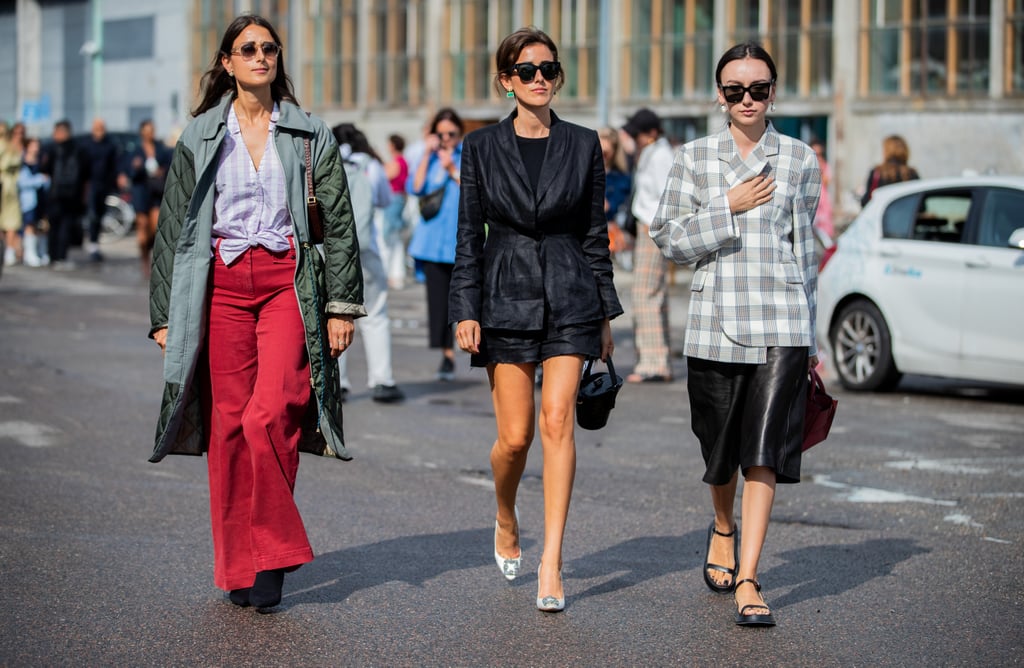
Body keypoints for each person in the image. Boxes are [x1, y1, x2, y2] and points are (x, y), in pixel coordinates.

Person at [148, 14, 365, 611]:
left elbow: (339, 225)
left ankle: (272, 552)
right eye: (248, 49)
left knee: (270, 413)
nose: (261, 57)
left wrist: (342, 306)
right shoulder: (198, 136)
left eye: (269, 48)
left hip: (286, 284)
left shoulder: (306, 132)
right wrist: (166, 315)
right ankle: (239, 565)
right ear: (228, 63)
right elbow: (172, 229)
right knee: (226, 425)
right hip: (218, 288)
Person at [450, 26, 623, 612]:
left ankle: (551, 562)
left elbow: (595, 235)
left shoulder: (583, 143)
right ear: (506, 81)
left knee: (558, 423)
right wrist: (464, 310)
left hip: (572, 293)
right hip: (504, 294)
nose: (540, 78)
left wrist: (605, 312)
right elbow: (468, 237)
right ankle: (505, 513)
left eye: (549, 68)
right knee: (515, 438)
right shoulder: (479, 148)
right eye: (527, 70)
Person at [650, 42, 821, 628]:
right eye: (735, 90)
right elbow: (667, 238)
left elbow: (807, 253)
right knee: (719, 455)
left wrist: (813, 343)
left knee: (764, 454)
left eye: (759, 89)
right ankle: (723, 526)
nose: (748, 100)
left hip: (783, 322)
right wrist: (726, 205)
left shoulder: (798, 160)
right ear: (718, 95)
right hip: (714, 323)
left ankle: (749, 577)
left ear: (775, 91)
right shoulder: (694, 158)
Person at [333, 123, 404, 404]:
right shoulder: (370, 166)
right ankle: (382, 380)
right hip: (367, 250)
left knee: (335, 315)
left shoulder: (325, 161)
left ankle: (339, 383)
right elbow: (385, 200)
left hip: (334, 254)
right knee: (375, 315)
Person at [407, 108, 463, 381]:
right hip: (431, 243)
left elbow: (476, 190)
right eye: (440, 134)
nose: (446, 139)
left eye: (451, 134)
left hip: (461, 243)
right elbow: (415, 188)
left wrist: (452, 168)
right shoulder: (428, 160)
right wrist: (428, 155)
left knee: (467, 302)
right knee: (439, 304)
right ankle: (447, 355)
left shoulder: (467, 156)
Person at [623, 108, 675, 383]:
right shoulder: (654, 153)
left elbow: (667, 197)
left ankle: (654, 363)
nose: (636, 138)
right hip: (649, 227)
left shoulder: (661, 155)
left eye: (639, 133)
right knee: (652, 294)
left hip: (653, 227)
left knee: (646, 296)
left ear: (652, 133)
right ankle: (656, 359)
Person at [121, 119, 172, 277]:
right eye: (147, 130)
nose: (150, 133)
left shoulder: (161, 149)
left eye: (152, 130)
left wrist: (161, 172)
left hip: (156, 191)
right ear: (142, 132)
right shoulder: (135, 151)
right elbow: (128, 171)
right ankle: (144, 258)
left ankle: (153, 252)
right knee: (142, 225)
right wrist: (135, 168)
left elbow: (169, 166)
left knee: (156, 226)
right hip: (141, 191)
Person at [41, 120, 90, 270]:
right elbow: (86, 174)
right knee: (65, 226)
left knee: (54, 226)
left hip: (55, 194)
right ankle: (61, 257)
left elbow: (45, 170)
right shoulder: (79, 149)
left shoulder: (51, 149)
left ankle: (52, 256)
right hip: (72, 194)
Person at [83, 118, 119, 262]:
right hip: (91, 184)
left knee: (99, 214)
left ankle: (95, 243)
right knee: (92, 215)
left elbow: (113, 165)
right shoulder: (87, 146)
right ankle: (92, 244)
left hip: (104, 185)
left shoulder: (109, 146)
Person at [597, 126, 633, 270]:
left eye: (606, 153)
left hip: (612, 235)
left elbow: (612, 205)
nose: (602, 156)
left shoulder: (621, 178)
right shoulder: (584, 171)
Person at [381, 134, 409, 289]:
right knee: (394, 236)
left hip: (393, 199)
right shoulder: (403, 161)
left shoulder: (396, 161)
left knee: (388, 235)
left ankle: (391, 272)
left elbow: (387, 176)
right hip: (399, 198)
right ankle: (396, 272)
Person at [18, 136, 51, 267]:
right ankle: (29, 253)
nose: (36, 148)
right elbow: (22, 182)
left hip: (42, 198)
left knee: (42, 225)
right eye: (33, 145)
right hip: (29, 200)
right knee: (29, 225)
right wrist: (38, 179)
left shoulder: (42, 161)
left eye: (37, 145)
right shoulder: (22, 162)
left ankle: (42, 252)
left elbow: (48, 178)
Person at [860, 134, 919, 206]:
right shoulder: (912, 173)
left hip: (882, 216)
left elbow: (866, 201)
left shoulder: (877, 173)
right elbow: (920, 204)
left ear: (886, 151)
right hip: (906, 216)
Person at [1, 123, 26, 266]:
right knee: (10, 221)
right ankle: (9, 251)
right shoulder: (12, 147)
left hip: (7, 186)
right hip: (10, 186)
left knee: (8, 221)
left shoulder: (8, 147)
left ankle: (8, 251)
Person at [810, 139, 834, 240]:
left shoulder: (825, 166)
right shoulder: (808, 165)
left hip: (822, 200)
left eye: (819, 154)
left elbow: (826, 181)